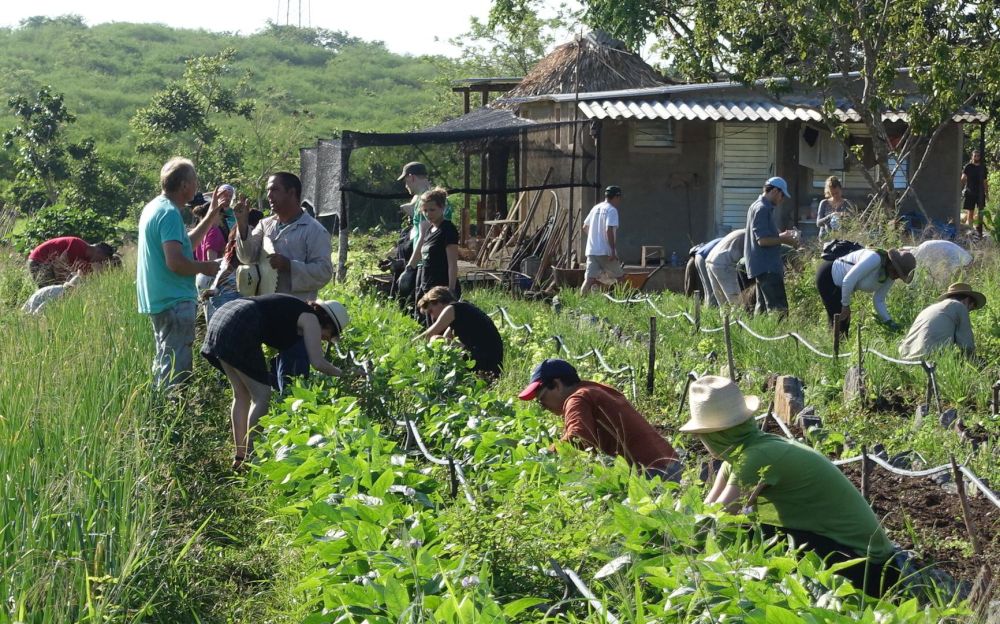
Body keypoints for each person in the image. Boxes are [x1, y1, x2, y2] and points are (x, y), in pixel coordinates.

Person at [682, 375, 900, 597]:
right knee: (750, 533)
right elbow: (707, 511)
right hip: (859, 555)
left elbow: (718, 518)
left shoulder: (756, 457)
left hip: (868, 569)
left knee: (748, 535)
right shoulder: (746, 451)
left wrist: (675, 546)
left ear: (715, 436)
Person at [201, 294, 349, 470]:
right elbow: (317, 362)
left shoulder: (296, 310)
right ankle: (250, 458)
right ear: (328, 322)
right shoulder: (311, 318)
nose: (325, 339)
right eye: (330, 335)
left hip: (224, 316)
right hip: (241, 322)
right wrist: (344, 374)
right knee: (262, 396)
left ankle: (240, 457)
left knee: (241, 394)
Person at [234, 172, 334, 392]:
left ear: (292, 193)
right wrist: (242, 225)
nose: (269, 195)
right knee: (264, 379)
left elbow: (325, 272)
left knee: (291, 380)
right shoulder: (265, 224)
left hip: (295, 317)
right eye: (268, 190)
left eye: (275, 189)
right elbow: (247, 257)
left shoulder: (314, 231)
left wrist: (291, 265)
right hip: (264, 311)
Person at [137, 158, 224, 389]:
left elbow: (187, 245)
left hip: (161, 299)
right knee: (177, 368)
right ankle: (173, 412)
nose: (197, 186)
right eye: (195, 181)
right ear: (184, 185)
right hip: (174, 299)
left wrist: (211, 215)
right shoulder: (170, 214)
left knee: (165, 360)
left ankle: (162, 412)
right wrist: (205, 267)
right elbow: (175, 262)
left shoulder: (155, 207)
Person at [518, 358, 681, 480]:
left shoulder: (577, 399)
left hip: (654, 474)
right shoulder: (595, 390)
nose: (543, 406)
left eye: (541, 399)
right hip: (672, 466)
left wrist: (543, 458)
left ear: (557, 384)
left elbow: (578, 437)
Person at [815, 247, 915, 335]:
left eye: (900, 276)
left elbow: (879, 299)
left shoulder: (890, 275)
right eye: (897, 271)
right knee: (841, 320)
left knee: (840, 323)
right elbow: (848, 280)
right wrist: (845, 306)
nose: (896, 276)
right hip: (828, 276)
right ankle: (836, 352)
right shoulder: (874, 259)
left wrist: (888, 322)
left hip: (842, 285)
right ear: (892, 263)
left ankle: (835, 348)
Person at [416, 286, 504, 379]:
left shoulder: (451, 309)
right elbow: (446, 339)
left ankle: (435, 375)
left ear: (438, 301)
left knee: (435, 340)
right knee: (441, 343)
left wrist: (409, 345)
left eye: (431, 311)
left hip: (484, 359)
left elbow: (430, 334)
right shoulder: (462, 308)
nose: (432, 316)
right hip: (493, 360)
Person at [744, 177, 799, 314]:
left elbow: (766, 235)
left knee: (761, 309)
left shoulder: (758, 206)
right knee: (778, 310)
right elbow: (762, 240)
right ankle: (780, 335)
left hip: (762, 266)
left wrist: (782, 235)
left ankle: (759, 334)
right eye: (782, 195)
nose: (782, 199)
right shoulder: (762, 209)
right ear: (775, 190)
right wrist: (785, 240)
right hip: (767, 267)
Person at [201, 207, 264, 323]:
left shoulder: (235, 234)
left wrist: (215, 288)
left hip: (222, 291)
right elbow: (231, 266)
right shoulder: (247, 235)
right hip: (232, 293)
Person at [899, 282, 985, 360]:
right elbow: (967, 345)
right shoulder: (960, 306)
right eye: (972, 306)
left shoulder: (930, 308)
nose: (970, 311)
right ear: (966, 300)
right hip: (928, 360)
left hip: (905, 358)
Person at [399, 161, 453, 272]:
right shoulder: (437, 198)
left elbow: (424, 236)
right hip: (437, 259)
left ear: (411, 177)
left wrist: (410, 267)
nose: (405, 185)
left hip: (428, 262)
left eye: (405, 181)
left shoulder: (427, 201)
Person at [580, 185, 626, 295]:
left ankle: (578, 304)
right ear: (616, 197)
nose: (619, 201)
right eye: (619, 198)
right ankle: (623, 302)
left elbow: (585, 227)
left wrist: (595, 238)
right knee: (620, 278)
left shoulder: (596, 208)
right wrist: (613, 250)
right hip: (605, 251)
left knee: (589, 280)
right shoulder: (611, 210)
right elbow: (608, 229)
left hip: (592, 251)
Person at [417, 187, 460, 300]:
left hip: (442, 292)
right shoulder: (429, 230)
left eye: (432, 210)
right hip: (427, 290)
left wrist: (451, 290)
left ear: (442, 208)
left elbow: (452, 264)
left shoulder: (448, 229)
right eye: (425, 210)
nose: (428, 214)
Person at [27, 236, 116, 287]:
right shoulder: (77, 245)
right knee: (48, 294)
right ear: (98, 252)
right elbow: (59, 265)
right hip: (40, 261)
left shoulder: (86, 258)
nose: (99, 262)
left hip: (48, 263)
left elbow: (80, 275)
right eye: (102, 259)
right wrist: (63, 285)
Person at [706, 229, 746, 306]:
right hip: (724, 263)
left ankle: (725, 318)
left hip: (711, 260)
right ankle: (737, 318)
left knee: (723, 302)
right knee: (735, 299)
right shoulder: (751, 235)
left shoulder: (741, 232)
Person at [960, 149, 988, 230]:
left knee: (981, 211)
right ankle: (970, 228)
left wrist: (987, 193)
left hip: (980, 192)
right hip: (970, 191)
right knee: (970, 211)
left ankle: (979, 229)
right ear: (972, 156)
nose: (976, 157)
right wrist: (960, 187)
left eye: (978, 156)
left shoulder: (983, 167)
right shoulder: (968, 166)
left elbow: (985, 181)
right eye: (975, 156)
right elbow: (963, 178)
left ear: (980, 157)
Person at [693, 237, 722, 307]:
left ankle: (706, 312)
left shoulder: (727, 238)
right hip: (705, 256)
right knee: (712, 291)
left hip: (699, 254)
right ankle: (711, 312)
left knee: (707, 290)